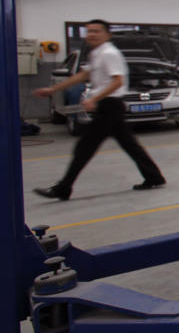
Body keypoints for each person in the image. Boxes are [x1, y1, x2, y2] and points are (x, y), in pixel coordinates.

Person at [32, 19, 165, 200]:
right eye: (89, 31)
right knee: (130, 145)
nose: (92, 34)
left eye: (96, 31)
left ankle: (63, 188)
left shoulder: (110, 53)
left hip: (110, 105)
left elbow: (118, 81)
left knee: (85, 147)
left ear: (107, 34)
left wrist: (95, 98)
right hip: (109, 105)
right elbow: (83, 75)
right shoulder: (96, 54)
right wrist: (54, 89)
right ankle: (154, 177)